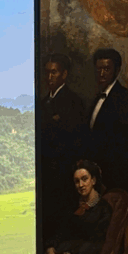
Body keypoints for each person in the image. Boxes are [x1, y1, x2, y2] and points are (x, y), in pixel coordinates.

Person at [39, 53, 86, 242]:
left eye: (54, 72)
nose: (50, 77)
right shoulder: (42, 103)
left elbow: (76, 141)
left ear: (64, 74)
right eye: (47, 73)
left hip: (64, 173)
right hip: (46, 175)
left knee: (63, 219)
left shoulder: (74, 102)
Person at [86, 48, 128, 198]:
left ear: (117, 71)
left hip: (116, 180)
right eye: (99, 69)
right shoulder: (95, 100)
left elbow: (126, 147)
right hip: (96, 180)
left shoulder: (127, 100)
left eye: (107, 69)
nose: (102, 73)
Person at [45, 160, 112, 254]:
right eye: (77, 181)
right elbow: (61, 232)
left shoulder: (104, 209)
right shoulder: (72, 206)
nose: (81, 185)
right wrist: (51, 249)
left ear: (93, 180)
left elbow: (97, 244)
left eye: (84, 179)